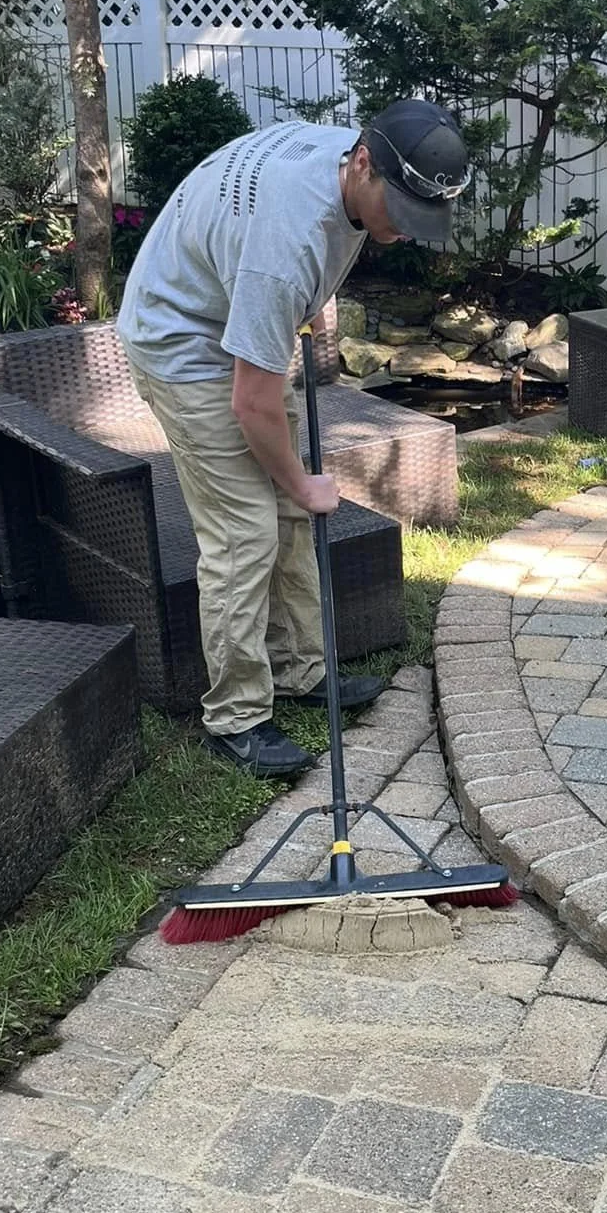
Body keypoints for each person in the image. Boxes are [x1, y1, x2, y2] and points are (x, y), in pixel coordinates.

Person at [117, 99, 471, 775]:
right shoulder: (287, 248)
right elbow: (252, 403)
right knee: (246, 530)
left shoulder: (348, 156)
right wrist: (301, 479)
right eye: (399, 208)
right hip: (181, 340)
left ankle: (302, 673)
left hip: (235, 308)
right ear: (363, 163)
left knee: (288, 511)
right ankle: (236, 719)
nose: (404, 230)